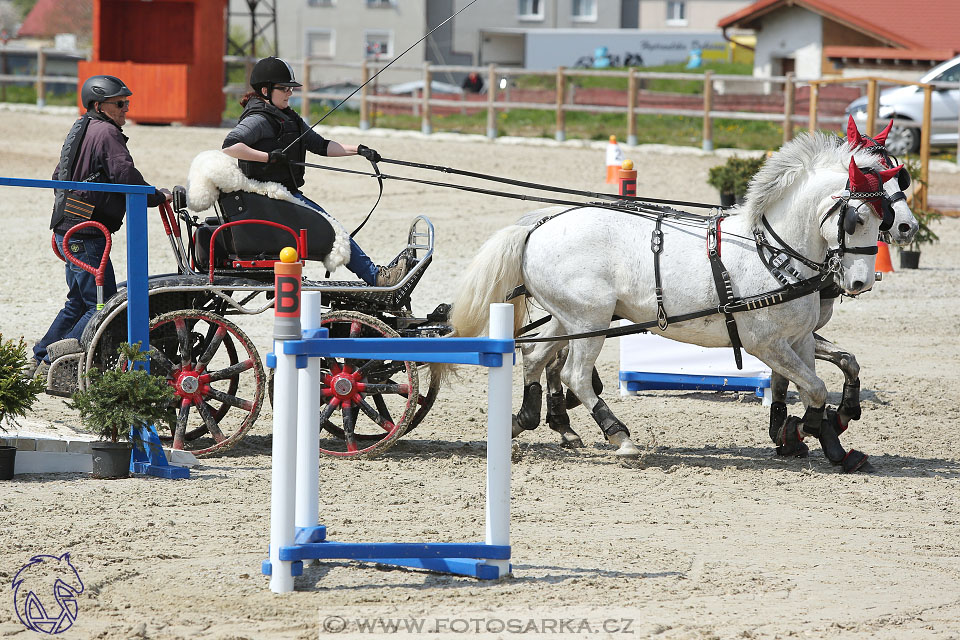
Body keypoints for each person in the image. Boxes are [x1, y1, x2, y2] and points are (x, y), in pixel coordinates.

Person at [26, 75, 171, 379]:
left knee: (78, 301)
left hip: (68, 226)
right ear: (99, 105)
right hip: (87, 231)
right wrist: (156, 196)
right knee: (101, 304)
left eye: (126, 103)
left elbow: (58, 175)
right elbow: (125, 174)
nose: (125, 109)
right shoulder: (107, 132)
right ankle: (62, 363)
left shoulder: (82, 128)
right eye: (120, 103)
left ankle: (39, 359)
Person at [221, 56, 405, 287]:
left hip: (284, 195)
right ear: (265, 90)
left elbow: (320, 145)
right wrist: (268, 157)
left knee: (332, 227)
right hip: (269, 198)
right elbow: (230, 145)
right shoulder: (259, 119)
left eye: (291, 89)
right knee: (333, 228)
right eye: (284, 89)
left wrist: (357, 150)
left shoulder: (288, 117)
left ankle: (374, 275)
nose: (290, 93)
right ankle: (375, 277)